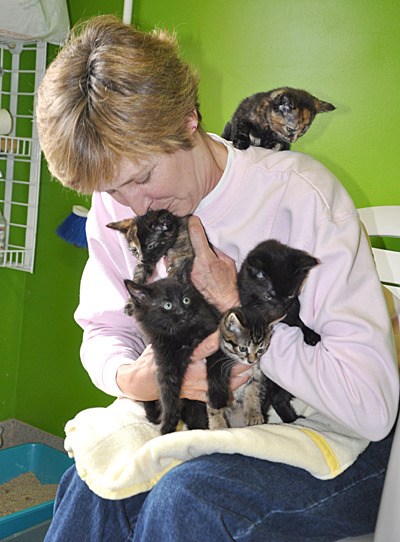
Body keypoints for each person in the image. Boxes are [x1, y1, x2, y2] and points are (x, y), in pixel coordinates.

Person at [36, 15, 399, 542]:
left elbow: (371, 410)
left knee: (186, 500)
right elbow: (102, 331)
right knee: (96, 484)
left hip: (337, 435)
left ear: (187, 118)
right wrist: (131, 379)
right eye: (115, 191)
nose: (137, 206)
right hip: (213, 423)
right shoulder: (116, 201)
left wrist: (237, 311)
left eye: (143, 177)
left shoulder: (302, 199)